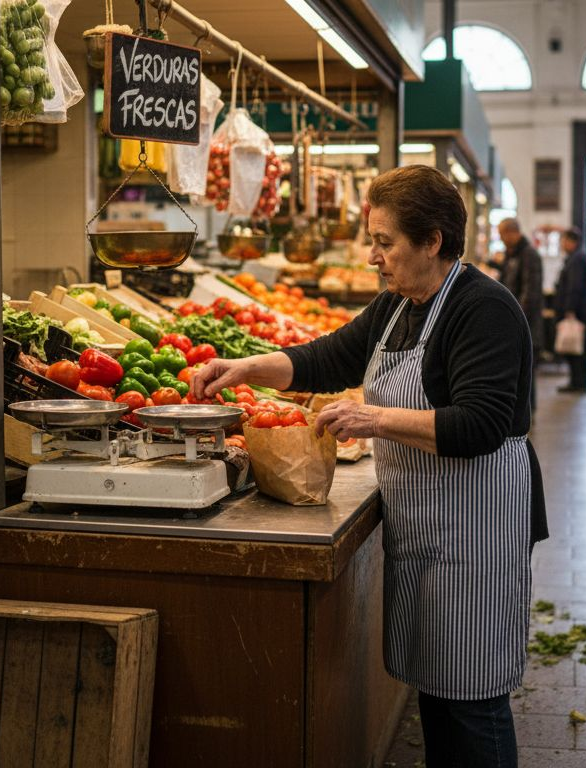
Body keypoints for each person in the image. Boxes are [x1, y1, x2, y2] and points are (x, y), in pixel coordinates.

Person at [193, 165, 548, 768]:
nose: (372, 256)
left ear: (432, 240)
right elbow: (325, 359)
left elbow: (481, 424)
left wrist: (374, 419)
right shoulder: (396, 307)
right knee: (439, 688)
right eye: (372, 241)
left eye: (384, 242)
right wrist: (246, 367)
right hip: (432, 525)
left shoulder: (483, 308)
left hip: (479, 528)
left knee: (474, 698)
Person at [497, 218, 544, 363]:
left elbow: (530, 292)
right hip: (514, 320)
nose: (501, 239)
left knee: (526, 374)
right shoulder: (511, 254)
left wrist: (517, 318)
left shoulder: (529, 254)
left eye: (502, 234)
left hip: (525, 324)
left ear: (512, 233)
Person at [553, 226, 586, 393]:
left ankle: (578, 383)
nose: (562, 244)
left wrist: (570, 309)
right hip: (580, 310)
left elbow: (574, 286)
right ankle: (577, 381)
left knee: (577, 348)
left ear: (572, 241)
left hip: (578, 312)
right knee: (576, 348)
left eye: (564, 240)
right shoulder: (576, 258)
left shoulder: (577, 260)